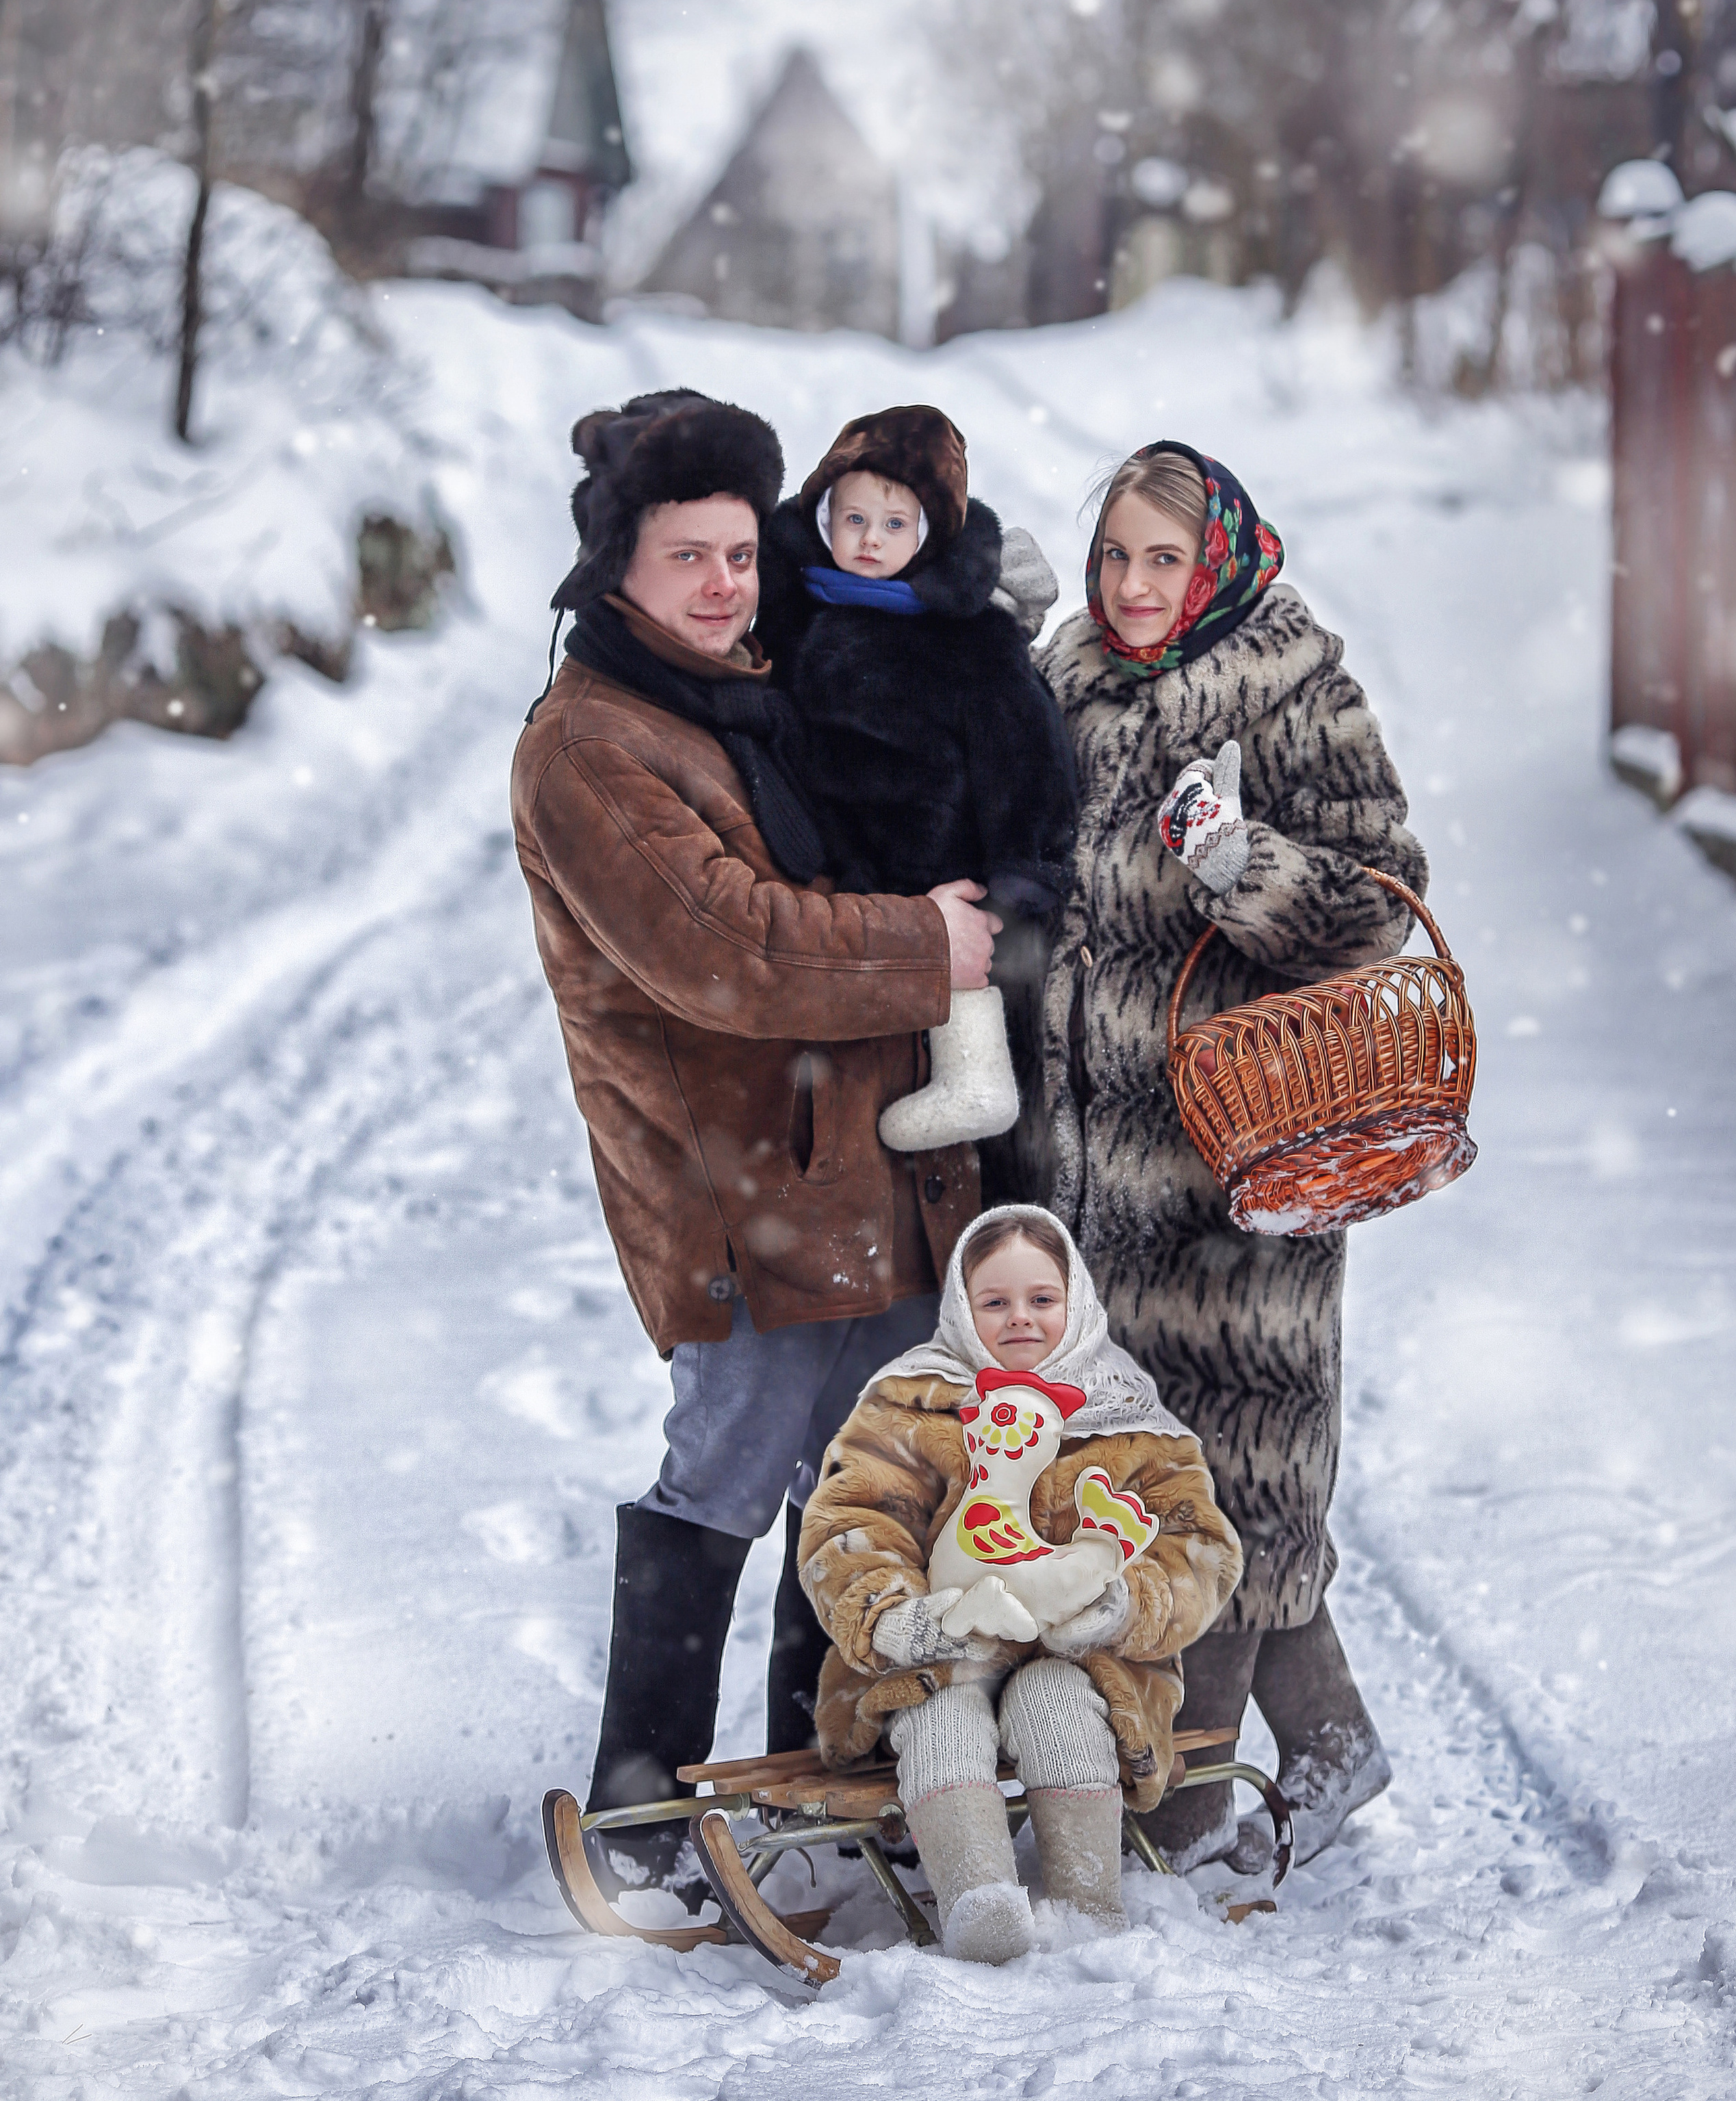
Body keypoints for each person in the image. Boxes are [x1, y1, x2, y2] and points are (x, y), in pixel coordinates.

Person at [511, 389, 1003, 1897]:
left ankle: (826, 1758)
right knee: (724, 1471)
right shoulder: (588, 746)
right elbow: (729, 952)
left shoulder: (748, 682)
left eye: (739, 551)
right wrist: (928, 946)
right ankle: (643, 1798)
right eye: (687, 557)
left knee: (863, 1486)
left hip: (864, 1169)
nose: (725, 584)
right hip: (736, 1189)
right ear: (617, 571)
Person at [1037, 439, 1429, 1874]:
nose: (1132, 587)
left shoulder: (1290, 688)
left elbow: (1380, 896)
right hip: (1093, 1164)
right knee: (1144, 1475)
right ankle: (1324, 1744)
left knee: (1231, 1472)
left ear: (1217, 566)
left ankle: (1183, 1812)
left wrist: (1236, 861)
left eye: (1161, 559)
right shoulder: (1067, 681)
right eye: (1113, 558)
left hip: (1237, 1162)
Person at [798, 1204, 1243, 1963]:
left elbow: (1199, 1547)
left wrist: (1121, 1607)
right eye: (994, 1302)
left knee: (1059, 1706)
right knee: (940, 1712)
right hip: (945, 1643)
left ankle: (1087, 1907)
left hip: (1084, 1658)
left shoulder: (1130, 1416)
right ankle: (980, 1906)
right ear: (960, 1309)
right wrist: (890, 1616)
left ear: (1076, 1302)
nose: (1020, 1320)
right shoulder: (911, 1398)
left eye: (1042, 1299)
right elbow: (853, 1519)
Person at [758, 404, 1077, 1181]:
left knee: (957, 962)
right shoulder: (795, 599)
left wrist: (1022, 867)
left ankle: (975, 1079)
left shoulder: (966, 634)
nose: (870, 541)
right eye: (855, 517)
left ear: (930, 535)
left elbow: (1026, 748)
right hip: (835, 857)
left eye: (896, 525)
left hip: (934, 855)